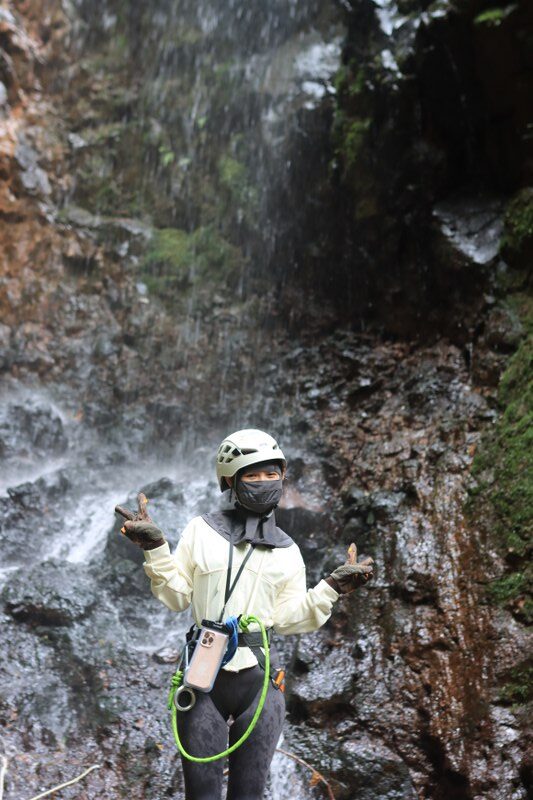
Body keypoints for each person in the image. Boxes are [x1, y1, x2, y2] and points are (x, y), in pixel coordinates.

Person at [120, 429, 374, 800]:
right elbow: (176, 599)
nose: (264, 482)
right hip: (202, 679)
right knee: (202, 794)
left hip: (260, 682)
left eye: (271, 474)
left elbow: (289, 618)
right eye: (252, 475)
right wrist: (156, 549)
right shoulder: (200, 531)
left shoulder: (288, 550)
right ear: (230, 480)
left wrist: (331, 588)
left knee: (250, 794)